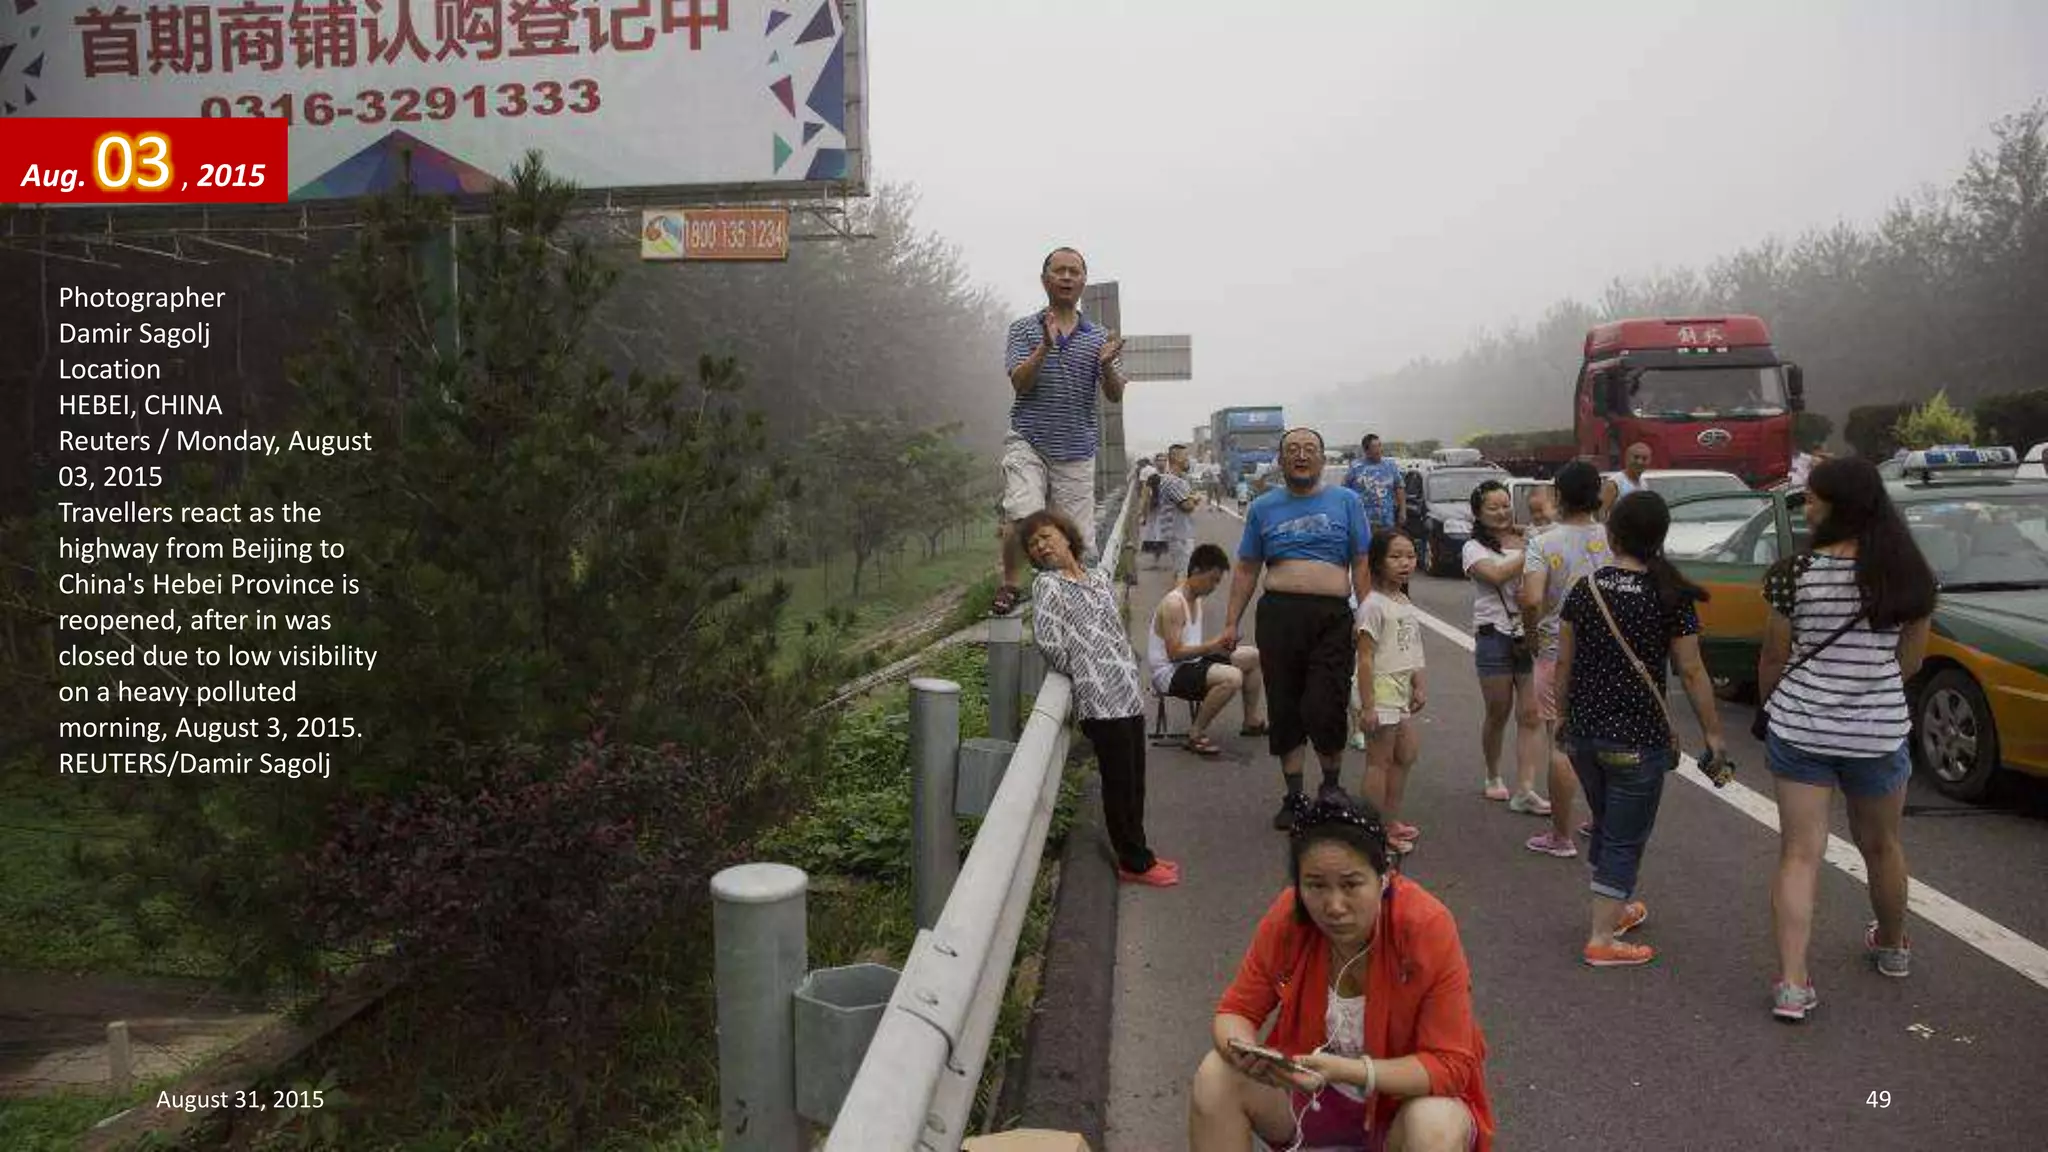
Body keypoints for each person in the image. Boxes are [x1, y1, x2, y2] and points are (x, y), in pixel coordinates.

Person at [1188, 796, 1495, 1152]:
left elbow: (1451, 1065)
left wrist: (1349, 1071)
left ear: (1383, 877)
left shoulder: (1426, 925)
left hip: (1400, 1111)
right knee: (1217, 1074)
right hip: (1313, 1099)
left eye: (1351, 885)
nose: (1334, 906)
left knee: (1436, 1123)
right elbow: (1236, 1011)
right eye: (1316, 886)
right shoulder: (1290, 916)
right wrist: (1244, 1050)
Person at [1759, 457, 1936, 1021]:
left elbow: (1774, 655)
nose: (1805, 507)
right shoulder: (1909, 576)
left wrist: (1774, 705)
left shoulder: (1794, 573)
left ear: (1838, 505)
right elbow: (1910, 662)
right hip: (1879, 732)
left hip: (1802, 726)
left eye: (1812, 499)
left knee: (1799, 853)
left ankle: (1791, 984)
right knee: (1881, 845)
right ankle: (1892, 946)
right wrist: (1866, 689)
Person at [1555, 491, 1726, 967]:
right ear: (1661, 537)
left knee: (1609, 826)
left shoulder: (1584, 590)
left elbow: (1563, 662)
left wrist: (1562, 717)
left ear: (1611, 534)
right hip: (1637, 740)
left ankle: (1617, 908)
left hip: (1584, 734)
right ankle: (1601, 940)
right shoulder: (1671, 595)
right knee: (1625, 838)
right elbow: (1692, 672)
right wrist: (1713, 735)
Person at [1221, 428, 1375, 829]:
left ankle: (1331, 787)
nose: (1301, 456)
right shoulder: (1262, 507)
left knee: (1326, 702)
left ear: (1323, 459)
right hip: (1279, 616)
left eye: (1309, 449)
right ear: (1281, 460)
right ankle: (1293, 795)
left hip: (1332, 617)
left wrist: (1369, 616)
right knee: (1285, 705)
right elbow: (1247, 568)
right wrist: (1230, 622)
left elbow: (1361, 562)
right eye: (1292, 450)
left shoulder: (1347, 502)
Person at [1022, 508, 1179, 887]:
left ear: (1065, 535)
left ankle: (1141, 851)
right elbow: (1049, 643)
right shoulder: (1048, 585)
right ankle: (1133, 862)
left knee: (1136, 778)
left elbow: (1114, 629)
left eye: (1046, 536)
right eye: (1033, 545)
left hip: (1125, 690)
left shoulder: (1098, 579)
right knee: (1119, 781)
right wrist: (1086, 664)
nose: (1041, 547)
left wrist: (1123, 666)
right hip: (1097, 696)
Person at [993, 246, 1126, 615]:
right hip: (1029, 439)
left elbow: (1113, 395)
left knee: (1078, 540)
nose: (1067, 277)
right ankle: (1010, 584)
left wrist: (1108, 366)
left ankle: (1075, 598)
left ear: (1084, 281)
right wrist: (1044, 348)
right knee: (1022, 513)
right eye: (1059, 271)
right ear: (1044, 280)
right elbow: (1019, 383)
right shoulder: (1023, 329)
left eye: (1074, 271)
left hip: (1076, 449)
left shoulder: (1099, 337)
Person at [1517, 461, 1606, 859]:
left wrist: (1532, 635)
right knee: (1605, 738)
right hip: (1607, 652)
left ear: (1558, 496)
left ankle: (1560, 835)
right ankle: (1602, 823)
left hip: (1556, 651)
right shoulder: (1613, 538)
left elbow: (1532, 598)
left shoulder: (1543, 542)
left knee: (1561, 740)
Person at [1462, 480, 1547, 813]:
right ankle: (1493, 774)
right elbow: (1494, 575)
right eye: (1492, 508)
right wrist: (1533, 554)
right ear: (1479, 514)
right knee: (1498, 711)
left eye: (1504, 505)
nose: (1501, 512)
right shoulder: (1473, 547)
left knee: (1530, 714)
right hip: (1493, 634)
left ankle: (1526, 788)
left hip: (1530, 631)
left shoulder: (1529, 536)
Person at [1150, 543, 1268, 756]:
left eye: (1217, 581)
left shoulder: (1196, 600)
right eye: (1212, 579)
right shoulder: (1174, 604)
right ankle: (1195, 734)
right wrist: (1213, 646)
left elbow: (1195, 648)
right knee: (1232, 677)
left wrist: (1222, 648)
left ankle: (1250, 721)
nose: (1214, 586)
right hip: (1170, 673)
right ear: (1195, 571)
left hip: (1191, 664)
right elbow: (1174, 653)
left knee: (1252, 656)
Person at [1355, 531, 1426, 856]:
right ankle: (1374, 831)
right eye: (1395, 557)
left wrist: (1418, 683)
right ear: (1377, 562)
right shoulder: (1372, 605)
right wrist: (1368, 706)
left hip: (1399, 687)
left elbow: (1412, 645)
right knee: (1378, 762)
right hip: (1380, 689)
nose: (1405, 563)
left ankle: (1389, 819)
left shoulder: (1402, 600)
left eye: (1410, 556)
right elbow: (1365, 658)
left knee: (1405, 753)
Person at [1157, 444, 1205, 577]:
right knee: (1183, 575)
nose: (1187, 460)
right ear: (1175, 458)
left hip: (1176, 532)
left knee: (1181, 572)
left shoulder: (1170, 479)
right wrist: (1195, 498)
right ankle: (1179, 598)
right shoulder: (1174, 481)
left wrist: (1191, 498)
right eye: (1185, 456)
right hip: (1179, 534)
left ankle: (1180, 597)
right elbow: (1187, 506)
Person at [1345, 433, 1406, 535]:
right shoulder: (1356, 467)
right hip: (1364, 522)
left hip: (1387, 521)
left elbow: (1399, 488)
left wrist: (1402, 511)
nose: (1379, 449)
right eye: (1375, 447)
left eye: (1380, 445)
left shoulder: (1390, 465)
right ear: (1366, 450)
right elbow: (1346, 491)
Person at [1599, 442, 1653, 520]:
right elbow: (1600, 514)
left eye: (1644, 458)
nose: (1639, 462)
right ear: (1627, 458)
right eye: (1636, 457)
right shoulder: (1614, 483)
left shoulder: (1644, 484)